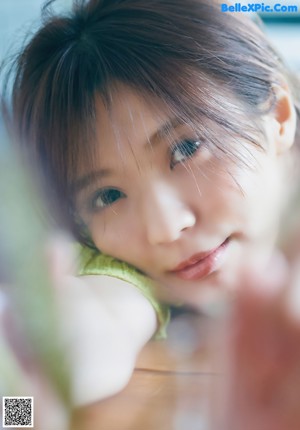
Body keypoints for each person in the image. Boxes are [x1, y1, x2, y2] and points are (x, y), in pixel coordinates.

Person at [2, 0, 300, 426]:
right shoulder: (116, 270)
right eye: (107, 196)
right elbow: (90, 332)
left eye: (187, 148)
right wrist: (21, 407)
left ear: (279, 115)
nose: (164, 228)